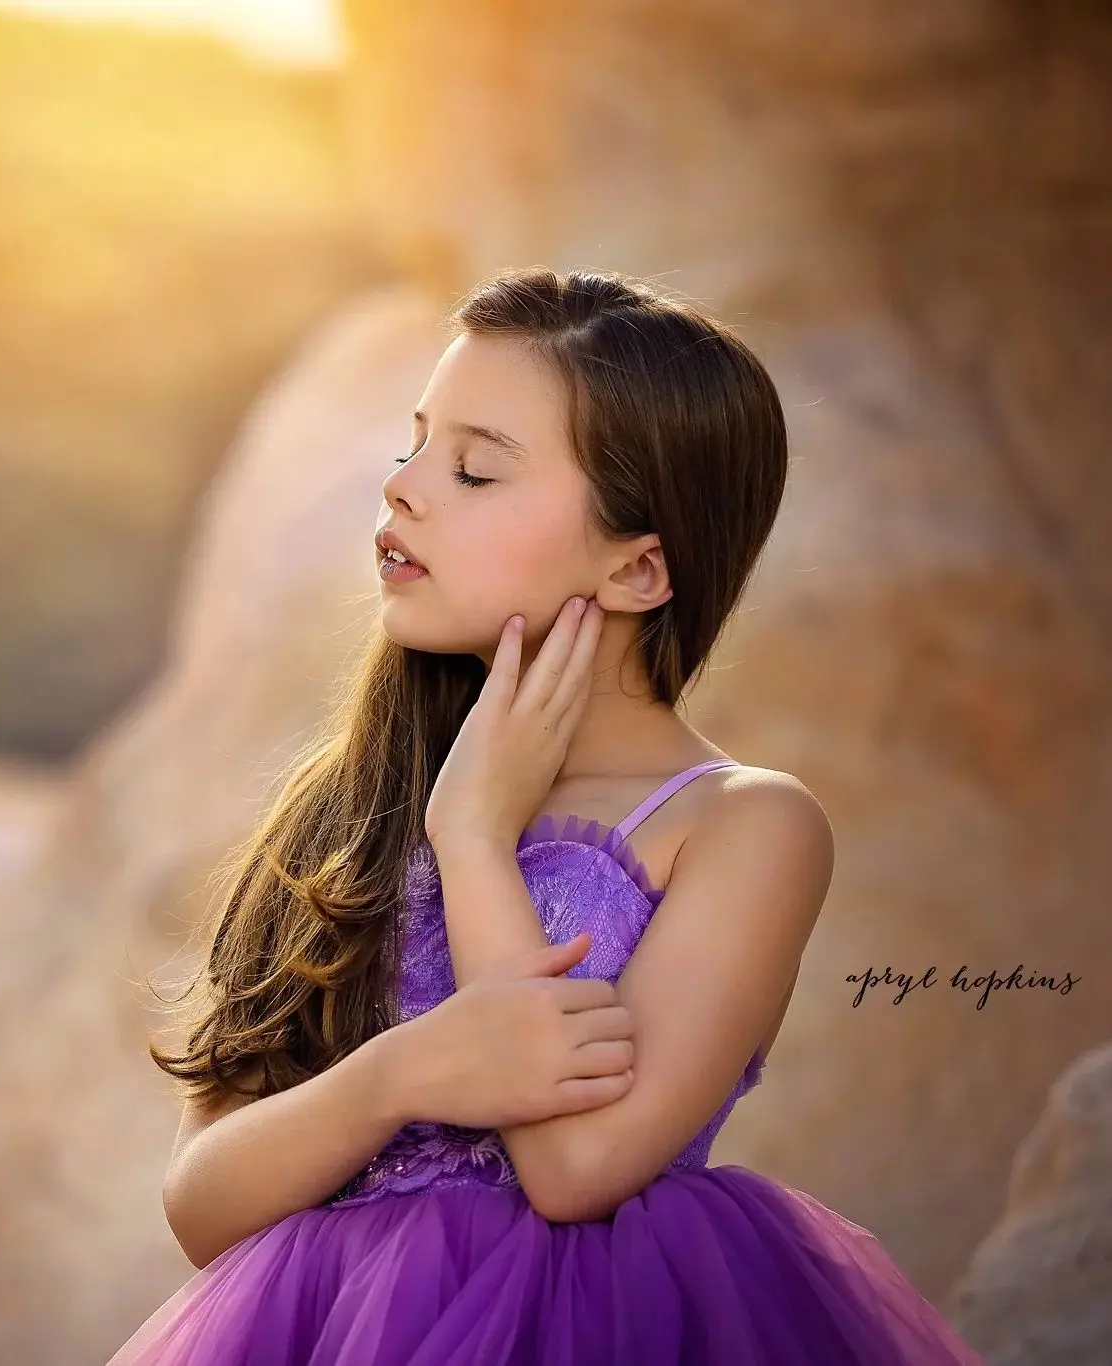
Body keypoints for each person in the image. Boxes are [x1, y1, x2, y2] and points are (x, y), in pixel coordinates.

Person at [105, 267, 988, 1364]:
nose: (405, 489)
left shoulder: (745, 827)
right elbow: (203, 1205)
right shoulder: (352, 802)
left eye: (474, 469)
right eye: (414, 444)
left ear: (638, 566)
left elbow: (576, 1171)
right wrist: (401, 1073)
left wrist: (475, 838)